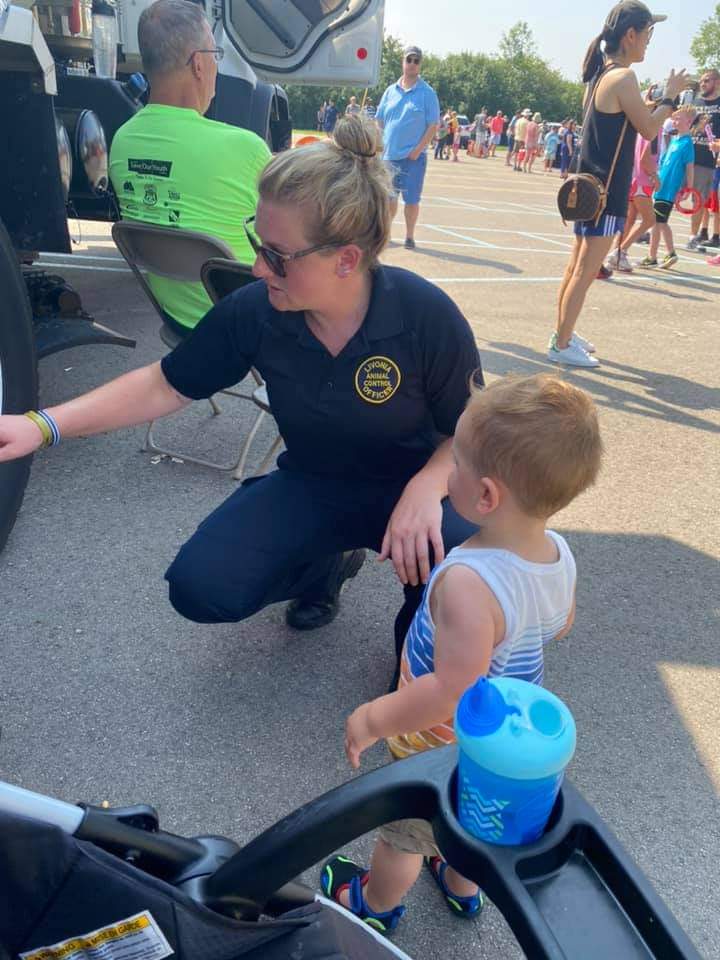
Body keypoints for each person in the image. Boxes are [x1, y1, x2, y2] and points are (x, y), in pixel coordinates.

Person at [0, 116, 483, 655]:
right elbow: (166, 384)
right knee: (201, 586)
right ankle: (323, 567)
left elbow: (473, 431)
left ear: (346, 258)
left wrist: (427, 487)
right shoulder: (259, 310)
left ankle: (424, 629)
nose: (256, 268)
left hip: (412, 487)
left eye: (277, 255)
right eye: (258, 241)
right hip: (315, 484)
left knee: (470, 564)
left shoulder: (423, 316)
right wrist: (42, 425)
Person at [320, 373, 602, 934]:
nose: (447, 473)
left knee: (406, 828)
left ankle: (374, 905)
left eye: (458, 465)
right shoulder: (558, 554)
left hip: (443, 736)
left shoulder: (471, 581)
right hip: (505, 734)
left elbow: (450, 692)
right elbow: (560, 623)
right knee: (475, 816)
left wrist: (372, 717)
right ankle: (460, 887)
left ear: (486, 495)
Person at [108, 0, 271, 333]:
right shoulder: (246, 147)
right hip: (244, 326)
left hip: (178, 323)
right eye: (215, 56)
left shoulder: (122, 142)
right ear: (198, 64)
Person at [548, 0, 688, 368]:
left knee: (575, 266)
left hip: (587, 188)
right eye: (647, 34)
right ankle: (561, 344)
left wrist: (658, 102)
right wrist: (671, 97)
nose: (648, 42)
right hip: (604, 193)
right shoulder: (624, 77)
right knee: (584, 269)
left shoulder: (600, 75)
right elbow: (649, 126)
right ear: (630, 35)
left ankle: (563, 330)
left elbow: (633, 118)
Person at [375, 45, 440, 249]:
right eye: (409, 60)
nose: (412, 64)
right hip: (389, 156)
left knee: (411, 200)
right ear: (403, 62)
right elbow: (379, 119)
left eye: (416, 61)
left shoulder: (427, 93)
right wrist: (380, 143)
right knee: (388, 199)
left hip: (413, 158)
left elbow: (433, 125)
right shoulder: (390, 91)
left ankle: (410, 236)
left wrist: (418, 149)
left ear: (420, 65)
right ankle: (386, 235)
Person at [643, 105, 696, 269]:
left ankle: (664, 254)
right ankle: (657, 255)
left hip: (669, 189)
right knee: (659, 222)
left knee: (659, 222)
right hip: (660, 186)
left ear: (688, 122)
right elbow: (663, 163)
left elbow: (690, 167)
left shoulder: (687, 143)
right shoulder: (674, 140)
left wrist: (689, 188)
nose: (674, 120)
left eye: (678, 118)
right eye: (674, 118)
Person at [607, 131, 659, 271]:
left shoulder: (642, 130)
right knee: (649, 220)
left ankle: (616, 255)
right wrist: (655, 176)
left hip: (634, 179)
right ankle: (620, 252)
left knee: (630, 219)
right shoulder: (654, 132)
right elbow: (645, 159)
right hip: (643, 182)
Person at [685, 69, 720, 251]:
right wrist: (695, 128)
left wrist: (717, 144)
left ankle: (693, 236)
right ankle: (658, 229)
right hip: (686, 157)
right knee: (667, 193)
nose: (702, 83)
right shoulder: (696, 102)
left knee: (697, 201)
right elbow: (686, 129)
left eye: (707, 80)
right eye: (701, 80)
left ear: (717, 82)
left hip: (705, 162)